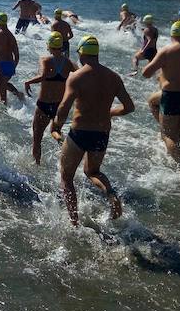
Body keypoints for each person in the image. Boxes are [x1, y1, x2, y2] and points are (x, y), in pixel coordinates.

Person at [53, 35, 134, 226]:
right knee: (93, 172)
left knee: (66, 177)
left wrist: (56, 124)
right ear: (96, 54)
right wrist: (111, 112)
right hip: (101, 133)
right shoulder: (113, 77)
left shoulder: (76, 77)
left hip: (80, 132)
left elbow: (64, 107)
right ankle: (111, 194)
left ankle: (74, 222)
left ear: (81, 53)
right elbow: (130, 107)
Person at [24, 31, 76, 163]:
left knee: (37, 137)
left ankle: (37, 164)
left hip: (44, 105)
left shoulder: (45, 60)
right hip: (60, 106)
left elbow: (42, 76)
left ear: (49, 46)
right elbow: (81, 75)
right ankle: (60, 140)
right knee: (55, 130)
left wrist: (28, 81)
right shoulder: (69, 63)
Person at [143, 20, 180, 166]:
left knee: (167, 135)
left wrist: (163, 72)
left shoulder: (167, 51)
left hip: (172, 96)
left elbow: (146, 73)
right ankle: (174, 135)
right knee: (152, 100)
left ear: (172, 34)